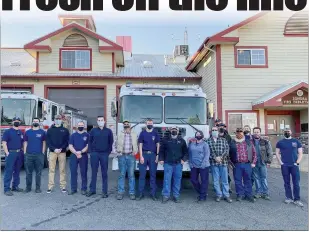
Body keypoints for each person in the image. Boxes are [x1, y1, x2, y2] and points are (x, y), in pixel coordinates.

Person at [276, 128, 304, 207]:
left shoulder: (296, 141)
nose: (287, 132)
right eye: (285, 131)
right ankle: (289, 198)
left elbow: (300, 153)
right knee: (286, 182)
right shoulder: (280, 142)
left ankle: (297, 199)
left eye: (288, 131)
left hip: (294, 165)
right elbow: (277, 153)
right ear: (283, 133)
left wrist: (297, 162)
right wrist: (281, 162)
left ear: (291, 132)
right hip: (285, 165)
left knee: (296, 183)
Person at [159, 126, 188, 203]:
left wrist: (184, 159)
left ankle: (176, 196)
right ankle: (166, 195)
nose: (174, 131)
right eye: (172, 130)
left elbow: (186, 152)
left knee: (177, 180)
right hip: (168, 163)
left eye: (175, 130)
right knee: (166, 180)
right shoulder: (165, 140)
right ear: (170, 131)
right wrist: (161, 159)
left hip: (178, 164)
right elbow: (161, 151)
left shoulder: (182, 141)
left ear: (178, 132)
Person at [87, 116, 114, 198]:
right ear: (97, 122)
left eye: (101, 120)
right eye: (98, 120)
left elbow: (111, 142)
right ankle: (92, 190)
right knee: (94, 172)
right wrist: (91, 152)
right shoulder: (93, 130)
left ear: (104, 121)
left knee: (104, 173)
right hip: (95, 154)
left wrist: (108, 152)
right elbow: (89, 141)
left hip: (104, 154)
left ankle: (104, 191)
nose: (100, 121)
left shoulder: (108, 131)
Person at [230, 128, 257, 202]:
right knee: (237, 180)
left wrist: (253, 162)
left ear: (243, 133)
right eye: (237, 132)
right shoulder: (232, 142)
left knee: (248, 180)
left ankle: (248, 195)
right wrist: (231, 164)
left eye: (240, 132)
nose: (239, 133)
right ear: (236, 133)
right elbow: (229, 154)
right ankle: (240, 194)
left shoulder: (248, 142)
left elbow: (254, 153)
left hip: (247, 164)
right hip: (237, 165)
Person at [137, 118, 160, 201]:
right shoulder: (142, 133)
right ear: (146, 124)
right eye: (148, 123)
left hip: (153, 155)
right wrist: (141, 156)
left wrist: (157, 155)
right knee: (142, 175)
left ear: (152, 124)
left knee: (153, 175)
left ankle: (153, 194)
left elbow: (158, 144)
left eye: (151, 123)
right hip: (144, 155)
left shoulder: (155, 133)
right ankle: (140, 193)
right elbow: (140, 145)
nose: (150, 124)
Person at [46, 114, 70, 193]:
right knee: (51, 170)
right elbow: (48, 141)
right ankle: (50, 186)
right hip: (52, 152)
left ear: (61, 120)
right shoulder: (50, 130)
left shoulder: (65, 130)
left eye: (59, 119)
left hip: (62, 152)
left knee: (62, 170)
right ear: (54, 120)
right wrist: (54, 149)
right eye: (56, 119)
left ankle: (63, 186)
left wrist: (61, 148)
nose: (58, 120)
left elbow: (67, 141)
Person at [207, 127, 232, 203]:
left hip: (223, 162)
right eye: (213, 130)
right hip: (214, 163)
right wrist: (215, 158)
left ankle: (226, 195)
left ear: (218, 132)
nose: (214, 131)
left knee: (225, 180)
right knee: (216, 180)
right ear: (211, 132)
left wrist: (221, 157)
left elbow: (227, 150)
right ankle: (218, 194)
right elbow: (207, 152)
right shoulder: (207, 141)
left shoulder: (223, 140)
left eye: (215, 130)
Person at [116, 120, 138, 200]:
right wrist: (117, 152)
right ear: (123, 125)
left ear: (130, 125)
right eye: (124, 124)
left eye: (127, 124)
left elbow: (138, 143)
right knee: (122, 175)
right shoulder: (120, 133)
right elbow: (115, 143)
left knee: (131, 175)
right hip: (122, 156)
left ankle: (132, 192)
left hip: (131, 156)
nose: (126, 125)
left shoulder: (134, 133)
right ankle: (120, 192)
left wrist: (135, 151)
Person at [2, 116, 25, 196]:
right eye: (15, 120)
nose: (16, 121)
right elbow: (4, 143)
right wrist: (7, 153)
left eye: (18, 120)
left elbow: (22, 143)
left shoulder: (21, 132)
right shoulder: (8, 132)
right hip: (11, 153)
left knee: (17, 171)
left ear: (20, 122)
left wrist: (22, 152)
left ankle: (15, 186)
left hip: (19, 153)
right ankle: (6, 189)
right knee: (9, 171)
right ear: (12, 122)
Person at [24, 117, 46, 193]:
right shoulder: (28, 132)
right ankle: (28, 188)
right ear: (32, 122)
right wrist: (25, 152)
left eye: (37, 121)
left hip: (39, 155)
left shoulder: (42, 132)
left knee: (38, 173)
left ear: (39, 123)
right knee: (28, 172)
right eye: (34, 121)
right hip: (29, 155)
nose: (35, 122)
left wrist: (43, 152)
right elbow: (25, 142)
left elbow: (44, 142)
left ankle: (37, 188)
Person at [188, 131, 210, 203]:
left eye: (200, 134)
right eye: (197, 134)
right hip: (194, 165)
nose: (198, 135)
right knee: (193, 180)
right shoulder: (192, 144)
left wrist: (203, 164)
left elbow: (207, 154)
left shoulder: (205, 144)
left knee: (204, 181)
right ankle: (202, 192)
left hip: (203, 165)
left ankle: (202, 197)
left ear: (202, 136)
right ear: (195, 136)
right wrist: (190, 162)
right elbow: (190, 153)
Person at [68, 121, 89, 195]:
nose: (80, 126)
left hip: (83, 156)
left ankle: (84, 189)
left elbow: (87, 146)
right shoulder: (73, 135)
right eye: (79, 125)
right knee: (73, 172)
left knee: (83, 172)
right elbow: (70, 146)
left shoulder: (87, 135)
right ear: (77, 126)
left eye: (82, 125)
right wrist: (76, 153)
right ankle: (73, 189)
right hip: (74, 155)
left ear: (84, 126)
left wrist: (81, 152)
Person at [252, 127, 273, 200]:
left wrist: (269, 161)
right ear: (253, 133)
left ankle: (265, 193)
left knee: (263, 178)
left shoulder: (265, 142)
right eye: (255, 132)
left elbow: (270, 152)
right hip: (254, 163)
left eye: (257, 132)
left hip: (263, 163)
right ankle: (258, 192)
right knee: (256, 178)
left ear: (260, 133)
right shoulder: (251, 142)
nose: (256, 133)